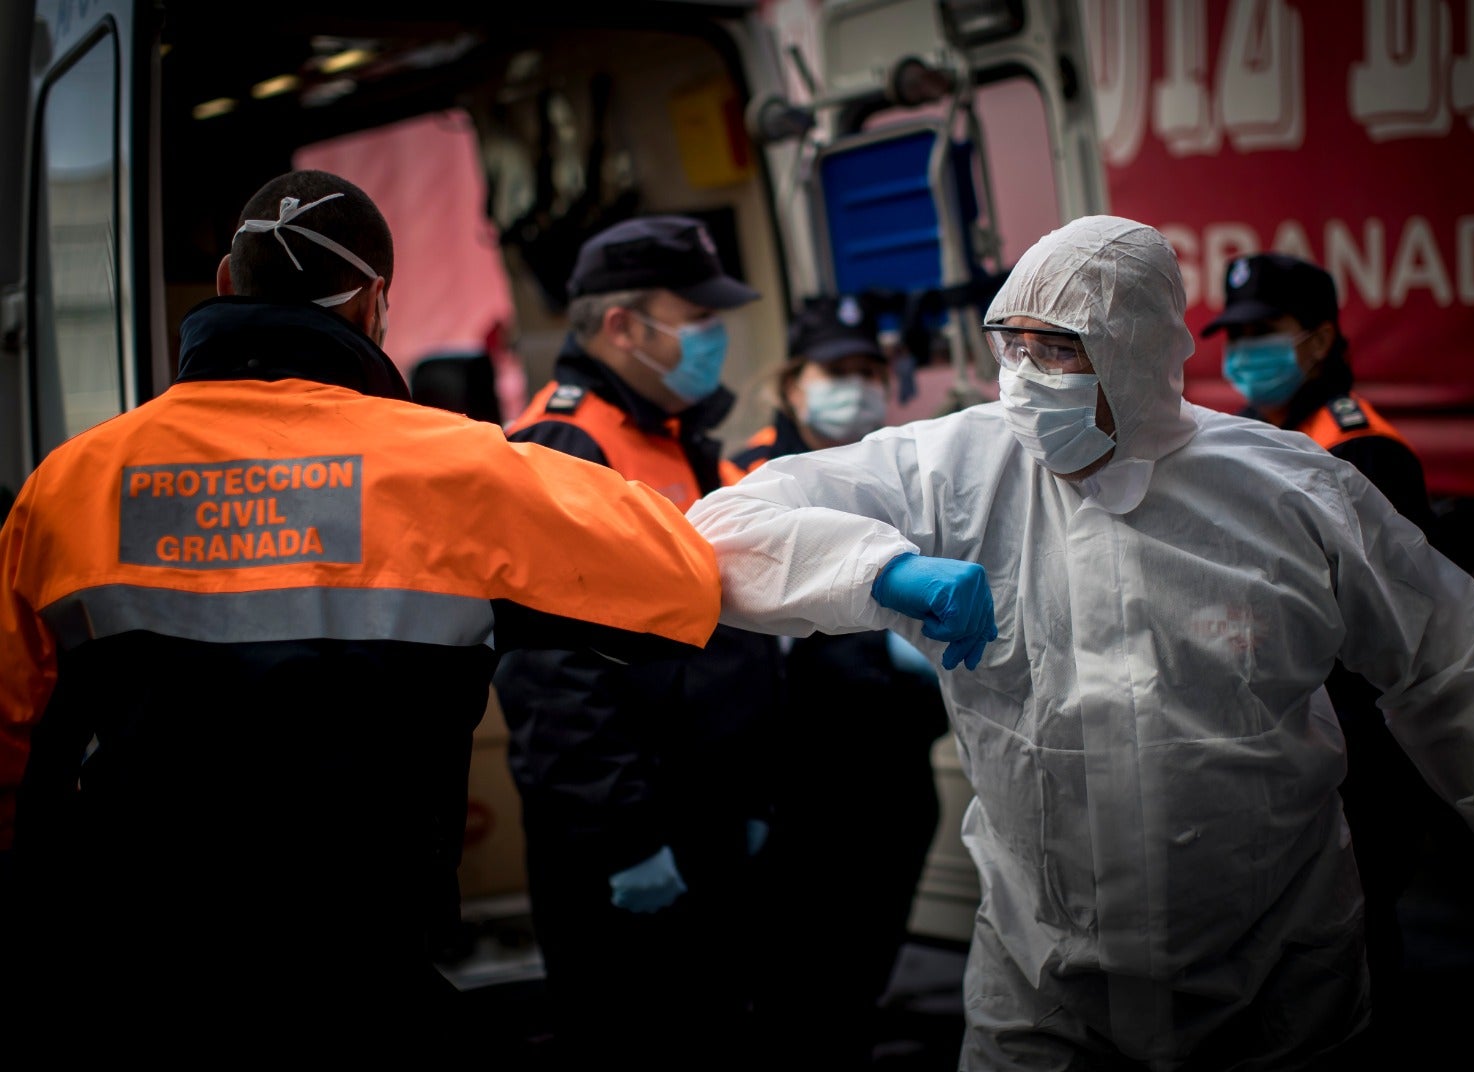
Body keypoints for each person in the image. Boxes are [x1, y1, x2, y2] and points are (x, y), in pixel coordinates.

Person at [685, 215, 1474, 1070]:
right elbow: (722, 526)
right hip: (1042, 991)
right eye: (1018, 347)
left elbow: (1448, 659)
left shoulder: (1289, 493)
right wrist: (878, 567)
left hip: (1275, 985)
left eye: (1060, 351)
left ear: (1136, 354)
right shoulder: (954, 467)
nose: (1028, 379)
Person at [0, 170, 722, 1064]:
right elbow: (679, 579)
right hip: (360, 973)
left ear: (227, 281)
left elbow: (13, 738)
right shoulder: (459, 469)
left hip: (128, 968)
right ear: (374, 302)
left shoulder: (68, 483)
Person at [493, 214, 784, 1072]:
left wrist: (749, 797)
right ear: (622, 326)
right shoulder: (561, 447)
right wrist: (623, 839)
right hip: (631, 831)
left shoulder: (673, 430)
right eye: (695, 316)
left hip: (706, 813)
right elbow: (549, 673)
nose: (713, 337)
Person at [1200, 251, 1462, 1041]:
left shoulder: (1359, 450)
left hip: (1357, 746)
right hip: (1298, 737)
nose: (1242, 350)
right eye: (1232, 333)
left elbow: (1391, 627)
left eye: (1263, 331)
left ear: (1317, 340)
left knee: (1356, 945)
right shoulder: (1272, 437)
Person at [733, 294, 950, 1071]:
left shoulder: (898, 475)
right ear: (794, 383)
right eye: (835, 371)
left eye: (867, 371)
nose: (853, 388)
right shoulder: (748, 481)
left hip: (893, 775)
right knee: (795, 996)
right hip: (797, 790)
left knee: (858, 984)